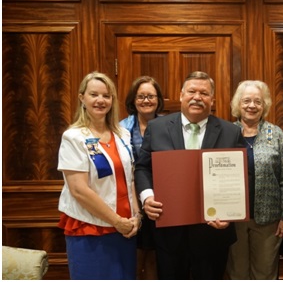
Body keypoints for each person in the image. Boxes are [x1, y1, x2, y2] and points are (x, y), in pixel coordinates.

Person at [134, 71, 246, 280]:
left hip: (213, 234)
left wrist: (231, 215)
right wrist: (147, 197)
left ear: (212, 99)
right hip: (169, 233)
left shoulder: (231, 132)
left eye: (204, 93)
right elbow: (142, 168)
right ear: (181, 95)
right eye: (192, 91)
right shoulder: (157, 128)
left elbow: (243, 176)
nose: (197, 97)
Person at [57, 71, 142, 279]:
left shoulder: (122, 134)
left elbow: (130, 177)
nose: (100, 100)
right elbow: (79, 190)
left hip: (125, 230)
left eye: (106, 95)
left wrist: (137, 216)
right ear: (82, 98)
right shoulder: (73, 137)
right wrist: (116, 221)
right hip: (91, 230)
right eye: (94, 94)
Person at [226, 80, 283, 279]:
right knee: (237, 272)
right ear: (238, 104)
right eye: (246, 101)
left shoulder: (276, 134)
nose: (252, 106)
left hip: (268, 220)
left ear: (264, 106)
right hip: (233, 218)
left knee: (264, 272)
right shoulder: (226, 133)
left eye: (257, 101)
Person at [120, 76, 165, 279]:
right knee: (134, 258)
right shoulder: (120, 129)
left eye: (151, 96)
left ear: (158, 100)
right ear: (133, 99)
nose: (146, 101)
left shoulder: (168, 126)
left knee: (157, 257)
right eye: (141, 96)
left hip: (161, 202)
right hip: (130, 202)